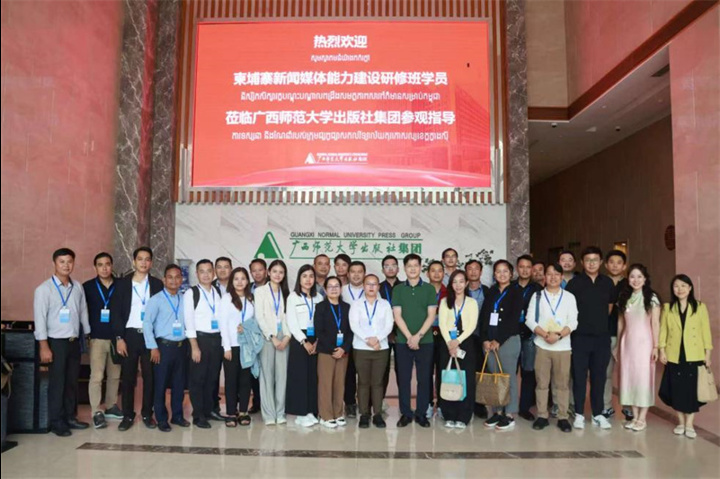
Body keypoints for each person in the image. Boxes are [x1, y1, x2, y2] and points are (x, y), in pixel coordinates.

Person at [33, 248, 91, 436]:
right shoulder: (44, 289)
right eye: (62, 262)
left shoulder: (77, 287)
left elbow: (83, 311)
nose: (66, 265)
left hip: (74, 341)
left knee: (71, 382)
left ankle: (70, 417)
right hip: (55, 343)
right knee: (57, 383)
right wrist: (44, 346)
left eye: (69, 261)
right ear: (54, 264)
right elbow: (40, 319)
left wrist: (87, 334)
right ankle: (57, 422)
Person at [111, 246, 164, 431]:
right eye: (140, 259)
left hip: (150, 336)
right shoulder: (122, 284)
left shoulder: (157, 284)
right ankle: (128, 415)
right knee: (128, 377)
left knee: (150, 377)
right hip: (129, 335)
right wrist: (119, 338)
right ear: (134, 261)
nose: (143, 263)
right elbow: (116, 313)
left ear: (151, 263)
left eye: (147, 259)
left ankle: (147, 414)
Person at [566, 246, 615, 430]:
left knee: (599, 377)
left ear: (601, 262)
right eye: (588, 260)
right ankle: (579, 413)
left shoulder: (607, 282)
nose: (591, 263)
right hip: (579, 338)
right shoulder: (574, 283)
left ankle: (598, 414)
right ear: (582, 262)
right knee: (579, 376)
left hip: (601, 338)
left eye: (595, 260)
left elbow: (609, 307)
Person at [525, 263, 578, 433]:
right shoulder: (537, 296)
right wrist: (545, 335)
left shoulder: (569, 297)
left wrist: (559, 335)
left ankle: (563, 417)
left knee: (562, 384)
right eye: (549, 274)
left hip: (563, 347)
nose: (553, 277)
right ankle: (542, 415)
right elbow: (529, 320)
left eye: (556, 274)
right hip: (542, 345)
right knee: (542, 383)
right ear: (544, 277)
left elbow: (573, 321)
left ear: (562, 277)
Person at [659, 274, 713, 439]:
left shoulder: (700, 307)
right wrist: (662, 350)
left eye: (683, 286)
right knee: (676, 389)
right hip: (674, 354)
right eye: (676, 286)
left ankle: (689, 423)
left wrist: (708, 354)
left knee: (691, 390)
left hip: (694, 354)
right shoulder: (668, 308)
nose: (680, 289)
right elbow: (663, 331)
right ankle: (681, 422)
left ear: (690, 288)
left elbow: (706, 332)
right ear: (672, 289)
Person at [392, 254, 438, 428]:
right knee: (403, 379)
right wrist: (409, 337)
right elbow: (397, 316)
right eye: (409, 266)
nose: (412, 269)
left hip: (425, 341)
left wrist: (418, 336)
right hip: (403, 342)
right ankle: (405, 413)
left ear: (420, 268)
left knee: (424, 379)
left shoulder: (429, 289)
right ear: (404, 268)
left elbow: (431, 315)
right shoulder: (398, 289)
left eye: (415, 265)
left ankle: (421, 414)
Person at [613, 264, 660, 432]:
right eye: (632, 276)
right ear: (628, 279)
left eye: (639, 276)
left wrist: (656, 346)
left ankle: (642, 418)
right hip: (627, 343)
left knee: (643, 378)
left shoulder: (651, 297)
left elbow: (655, 323)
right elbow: (620, 323)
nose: (636, 280)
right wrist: (618, 344)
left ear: (645, 279)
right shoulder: (624, 297)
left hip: (644, 343)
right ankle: (634, 416)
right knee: (628, 378)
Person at [143, 264, 190, 432]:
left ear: (181, 279)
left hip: (181, 347)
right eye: (170, 277)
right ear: (164, 279)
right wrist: (153, 347)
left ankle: (177, 416)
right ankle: (161, 418)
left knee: (179, 384)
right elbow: (147, 324)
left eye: (177, 277)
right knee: (160, 384)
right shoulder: (156, 300)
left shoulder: (185, 299)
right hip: (163, 347)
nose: (174, 280)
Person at [480, 260, 523, 430]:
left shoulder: (516, 291)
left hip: (508, 341)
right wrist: (485, 339)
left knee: (508, 376)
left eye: (505, 271)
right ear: (494, 274)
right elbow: (484, 316)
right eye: (498, 271)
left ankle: (509, 414)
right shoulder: (491, 292)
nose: (502, 274)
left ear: (511, 274)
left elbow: (513, 319)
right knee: (495, 378)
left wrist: (499, 340)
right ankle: (497, 412)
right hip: (489, 342)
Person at [82, 252, 122, 429]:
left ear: (112, 266)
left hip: (116, 338)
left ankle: (111, 405)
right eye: (100, 265)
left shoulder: (121, 285)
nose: (104, 268)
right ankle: (96, 411)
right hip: (97, 338)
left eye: (107, 264)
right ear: (95, 267)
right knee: (97, 376)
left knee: (115, 375)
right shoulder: (87, 287)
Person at [350, 274, 394, 429]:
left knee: (377, 382)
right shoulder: (356, 304)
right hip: (361, 348)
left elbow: (389, 325)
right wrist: (368, 340)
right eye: (368, 284)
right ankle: (364, 414)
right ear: (363, 286)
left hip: (380, 349)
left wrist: (377, 339)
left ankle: (377, 414)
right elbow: (354, 325)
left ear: (378, 287)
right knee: (363, 382)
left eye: (374, 284)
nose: (371, 287)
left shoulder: (385, 304)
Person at [184, 259, 224, 428]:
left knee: (212, 378)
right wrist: (194, 346)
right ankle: (198, 415)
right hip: (200, 340)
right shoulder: (191, 293)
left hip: (217, 340)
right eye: (202, 271)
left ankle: (209, 411)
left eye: (209, 271)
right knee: (198, 379)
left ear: (213, 273)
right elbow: (188, 321)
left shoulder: (218, 291)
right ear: (197, 274)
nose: (206, 275)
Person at [438, 270, 479, 429]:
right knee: (448, 377)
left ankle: (464, 416)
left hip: (465, 344)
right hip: (447, 344)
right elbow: (442, 324)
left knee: (465, 379)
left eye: (461, 281)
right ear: (451, 284)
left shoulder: (472, 302)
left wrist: (458, 341)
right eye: (455, 282)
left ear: (466, 283)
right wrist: (450, 343)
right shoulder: (444, 302)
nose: (458, 285)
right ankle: (449, 414)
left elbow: (472, 325)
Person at [286, 265, 323, 427]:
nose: (308, 279)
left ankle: (311, 410)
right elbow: (292, 322)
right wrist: (304, 341)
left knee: (313, 377)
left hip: (316, 339)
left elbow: (322, 321)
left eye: (311, 276)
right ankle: (300, 413)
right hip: (299, 339)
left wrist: (317, 341)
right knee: (300, 376)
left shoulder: (319, 298)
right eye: (304, 276)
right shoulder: (293, 297)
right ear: (299, 279)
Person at [254, 259, 291, 425]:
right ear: (268, 272)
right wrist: (272, 336)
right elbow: (260, 317)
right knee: (267, 376)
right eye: (274, 271)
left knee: (282, 376)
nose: (277, 275)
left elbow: (288, 318)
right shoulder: (260, 291)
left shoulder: (287, 293)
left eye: (281, 272)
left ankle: (280, 412)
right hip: (267, 337)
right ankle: (269, 414)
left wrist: (287, 337)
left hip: (284, 337)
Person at [219, 267, 255, 427]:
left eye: (243, 278)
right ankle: (230, 412)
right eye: (236, 279)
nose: (240, 282)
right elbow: (223, 324)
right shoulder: (226, 299)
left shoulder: (250, 299)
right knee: (231, 380)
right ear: (232, 281)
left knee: (245, 380)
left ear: (247, 281)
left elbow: (254, 322)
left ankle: (243, 411)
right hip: (232, 346)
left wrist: (247, 328)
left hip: (247, 346)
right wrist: (226, 347)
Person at [315, 277, 353, 428]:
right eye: (330, 286)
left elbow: (351, 331)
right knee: (326, 384)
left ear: (341, 288)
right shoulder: (321, 307)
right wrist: (333, 349)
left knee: (339, 383)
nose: (334, 289)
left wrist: (343, 348)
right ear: (325, 290)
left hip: (343, 352)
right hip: (326, 352)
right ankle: (325, 415)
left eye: (336, 286)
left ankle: (338, 413)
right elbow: (319, 331)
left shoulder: (346, 307)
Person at [515, 254, 543, 422]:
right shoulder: (510, 287)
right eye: (521, 267)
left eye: (528, 267)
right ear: (517, 268)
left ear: (532, 269)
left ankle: (524, 407)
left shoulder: (538, 290)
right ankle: (507, 406)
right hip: (511, 336)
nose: (525, 270)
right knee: (510, 372)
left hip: (530, 336)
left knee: (528, 371)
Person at [603, 250, 630, 420]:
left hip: (626, 335)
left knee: (627, 372)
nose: (615, 265)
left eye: (619, 262)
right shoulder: (600, 282)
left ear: (624, 266)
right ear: (606, 265)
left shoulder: (630, 284)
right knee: (605, 372)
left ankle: (628, 407)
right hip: (604, 334)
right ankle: (606, 406)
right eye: (611, 262)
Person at [341, 260, 365, 418]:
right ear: (348, 274)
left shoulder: (371, 289)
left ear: (364, 274)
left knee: (365, 374)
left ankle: (366, 404)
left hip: (365, 339)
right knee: (348, 373)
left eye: (359, 272)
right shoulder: (341, 290)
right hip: (346, 338)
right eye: (353, 272)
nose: (356, 275)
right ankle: (350, 403)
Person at [210, 256, 233, 418]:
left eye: (226, 267)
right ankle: (213, 405)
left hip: (234, 337)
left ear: (231, 269)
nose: (223, 270)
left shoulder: (238, 285)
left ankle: (234, 406)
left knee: (233, 374)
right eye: (219, 267)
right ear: (214, 270)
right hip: (215, 336)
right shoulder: (209, 288)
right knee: (213, 373)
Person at [465, 259, 488, 419]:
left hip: (482, 336)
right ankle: (466, 403)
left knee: (481, 371)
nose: (473, 272)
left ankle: (480, 404)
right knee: (466, 371)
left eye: (476, 269)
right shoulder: (461, 290)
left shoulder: (488, 291)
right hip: (465, 337)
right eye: (470, 269)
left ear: (481, 272)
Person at [427, 260, 447, 418]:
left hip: (444, 337)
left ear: (443, 273)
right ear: (427, 274)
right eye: (433, 270)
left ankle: (441, 404)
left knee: (442, 371)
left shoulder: (449, 291)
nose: (436, 273)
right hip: (426, 336)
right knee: (426, 371)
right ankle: (427, 403)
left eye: (439, 270)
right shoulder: (422, 291)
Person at [379, 255, 401, 400]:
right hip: (382, 335)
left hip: (402, 334)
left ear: (398, 269)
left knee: (402, 370)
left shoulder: (405, 287)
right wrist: (386, 333)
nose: (390, 268)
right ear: (383, 270)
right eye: (387, 266)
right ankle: (379, 402)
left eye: (393, 265)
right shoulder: (378, 288)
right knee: (382, 371)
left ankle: (404, 404)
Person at [248, 258, 267, 413]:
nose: (257, 273)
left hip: (268, 335)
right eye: (254, 270)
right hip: (251, 336)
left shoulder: (273, 287)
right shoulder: (246, 288)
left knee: (268, 370)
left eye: (260, 270)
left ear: (266, 271)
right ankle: (257, 402)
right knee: (254, 371)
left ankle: (269, 403)